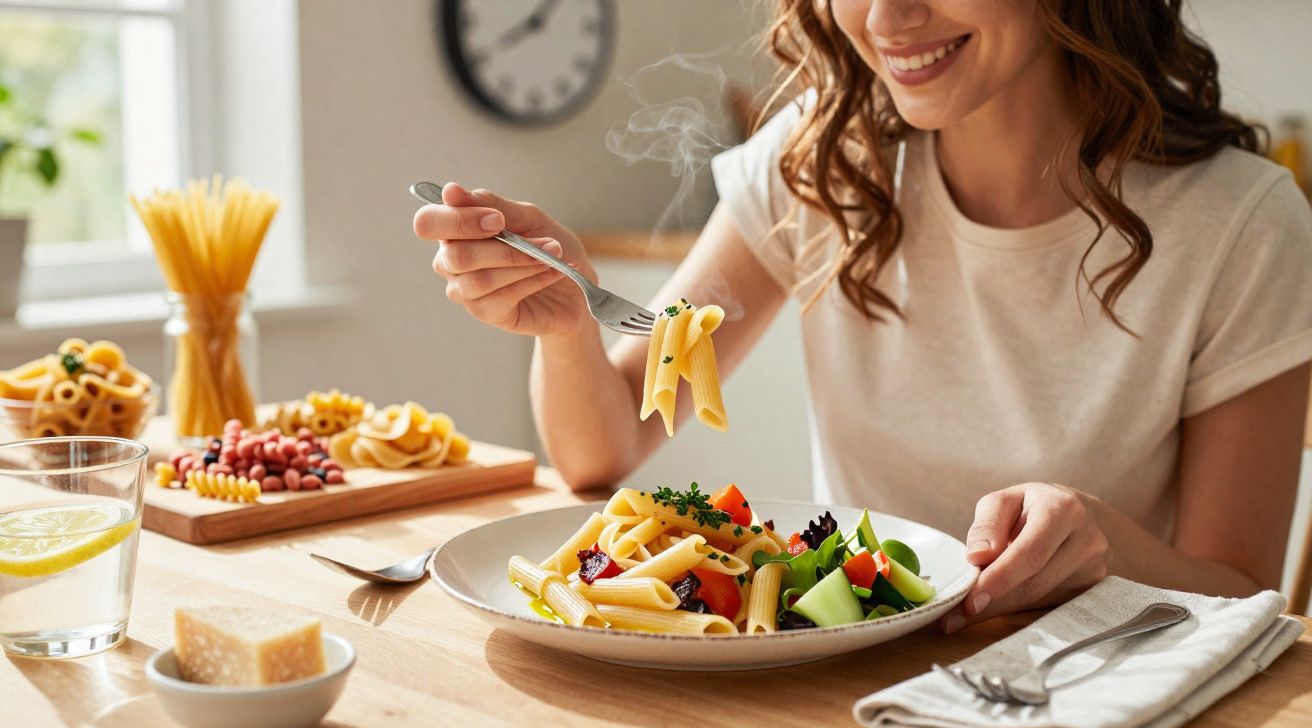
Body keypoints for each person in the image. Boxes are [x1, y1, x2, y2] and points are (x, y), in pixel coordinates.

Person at [413, 0, 1312, 632]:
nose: (885, 17)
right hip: (846, 686)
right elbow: (601, 447)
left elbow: (1240, 596)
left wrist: (1105, 539)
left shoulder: (1243, 223)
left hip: (1092, 687)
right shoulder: (820, 166)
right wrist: (567, 325)